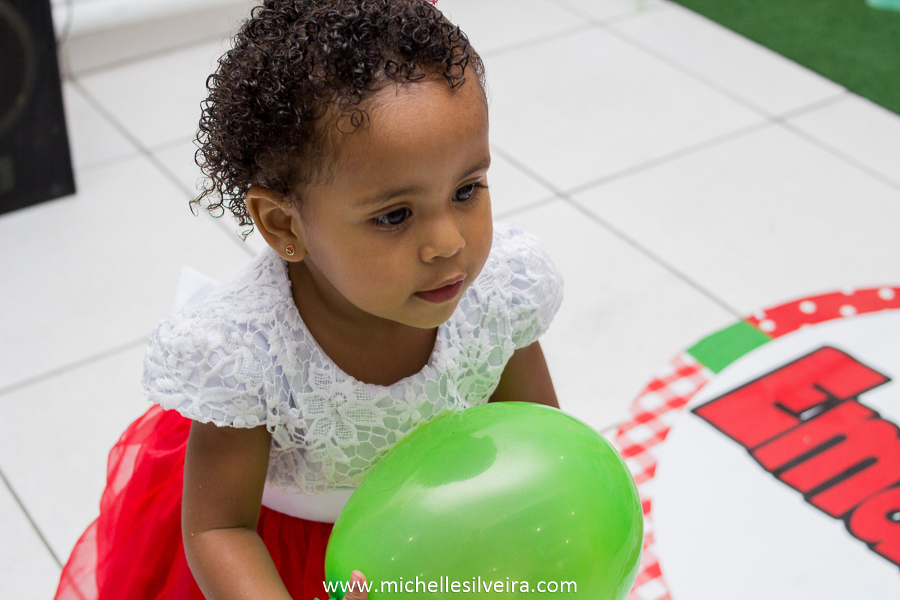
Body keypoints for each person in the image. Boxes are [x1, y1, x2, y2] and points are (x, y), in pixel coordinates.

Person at [54, 1, 564, 598]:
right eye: (395, 215)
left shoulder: (498, 297)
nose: (448, 243)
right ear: (285, 226)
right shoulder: (248, 358)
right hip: (287, 561)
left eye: (467, 189)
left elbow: (541, 446)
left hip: (444, 537)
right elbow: (220, 528)